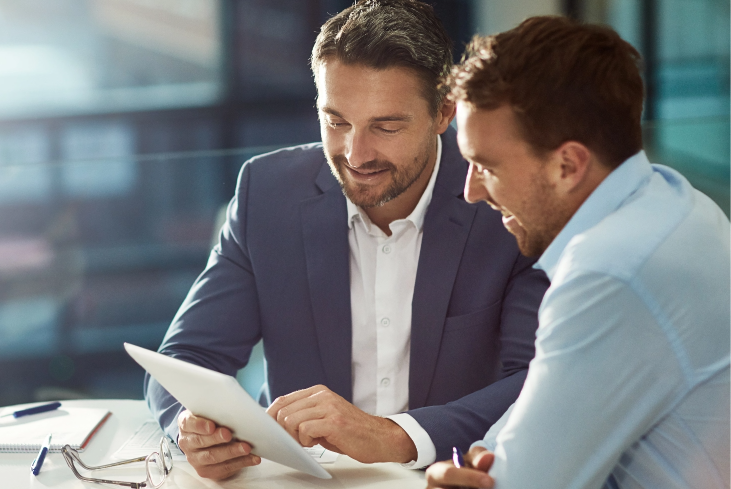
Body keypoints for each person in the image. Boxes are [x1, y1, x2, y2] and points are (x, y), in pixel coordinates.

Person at [146, 0, 549, 480]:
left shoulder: (503, 203)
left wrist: (394, 436)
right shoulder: (267, 192)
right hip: (299, 477)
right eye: (336, 121)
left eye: (386, 126)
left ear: (444, 113)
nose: (355, 154)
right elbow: (185, 359)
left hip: (442, 475)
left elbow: (537, 381)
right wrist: (193, 427)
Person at [425, 15, 731, 489]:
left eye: (486, 166)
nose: (471, 192)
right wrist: (494, 453)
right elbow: (508, 449)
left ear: (568, 165)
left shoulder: (611, 274)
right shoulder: (676, 202)